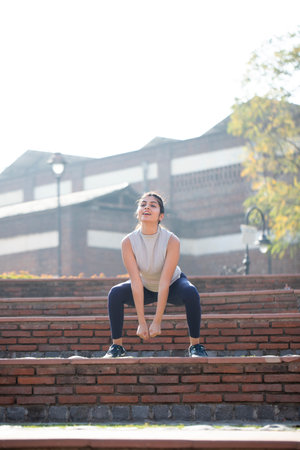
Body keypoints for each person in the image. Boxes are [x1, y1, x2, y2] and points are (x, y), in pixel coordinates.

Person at [103, 192, 207, 358]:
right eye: (143, 204)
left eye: (153, 205)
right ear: (138, 212)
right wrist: (142, 323)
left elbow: (165, 281)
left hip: (172, 284)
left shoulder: (172, 240)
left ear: (161, 216)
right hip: (144, 285)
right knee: (115, 293)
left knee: (191, 292)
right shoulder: (128, 242)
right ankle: (116, 347)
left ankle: (195, 347)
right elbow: (135, 282)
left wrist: (157, 321)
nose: (147, 207)